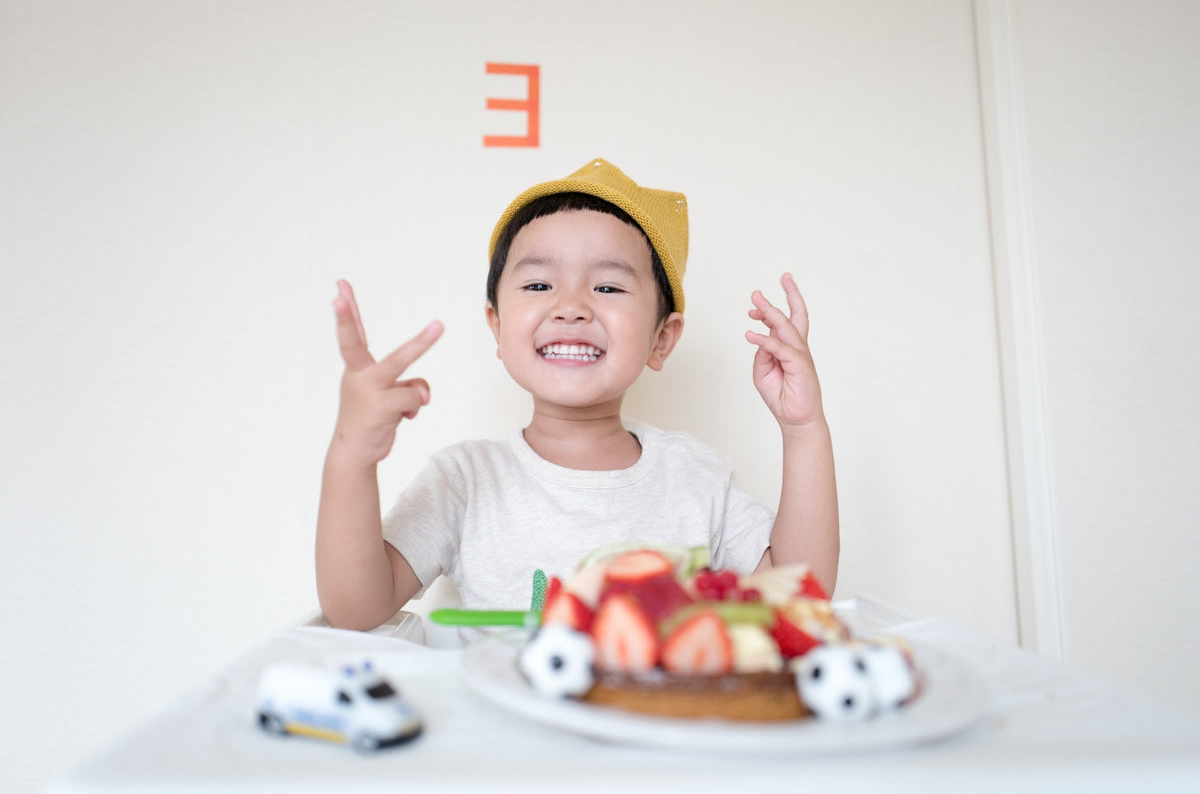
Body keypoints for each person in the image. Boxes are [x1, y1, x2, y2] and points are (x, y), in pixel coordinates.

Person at [315, 159, 839, 631]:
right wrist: (352, 454)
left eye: (608, 287)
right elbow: (355, 610)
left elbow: (798, 599)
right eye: (539, 285)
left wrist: (804, 430)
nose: (570, 307)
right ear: (497, 328)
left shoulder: (696, 478)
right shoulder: (465, 481)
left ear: (662, 338)